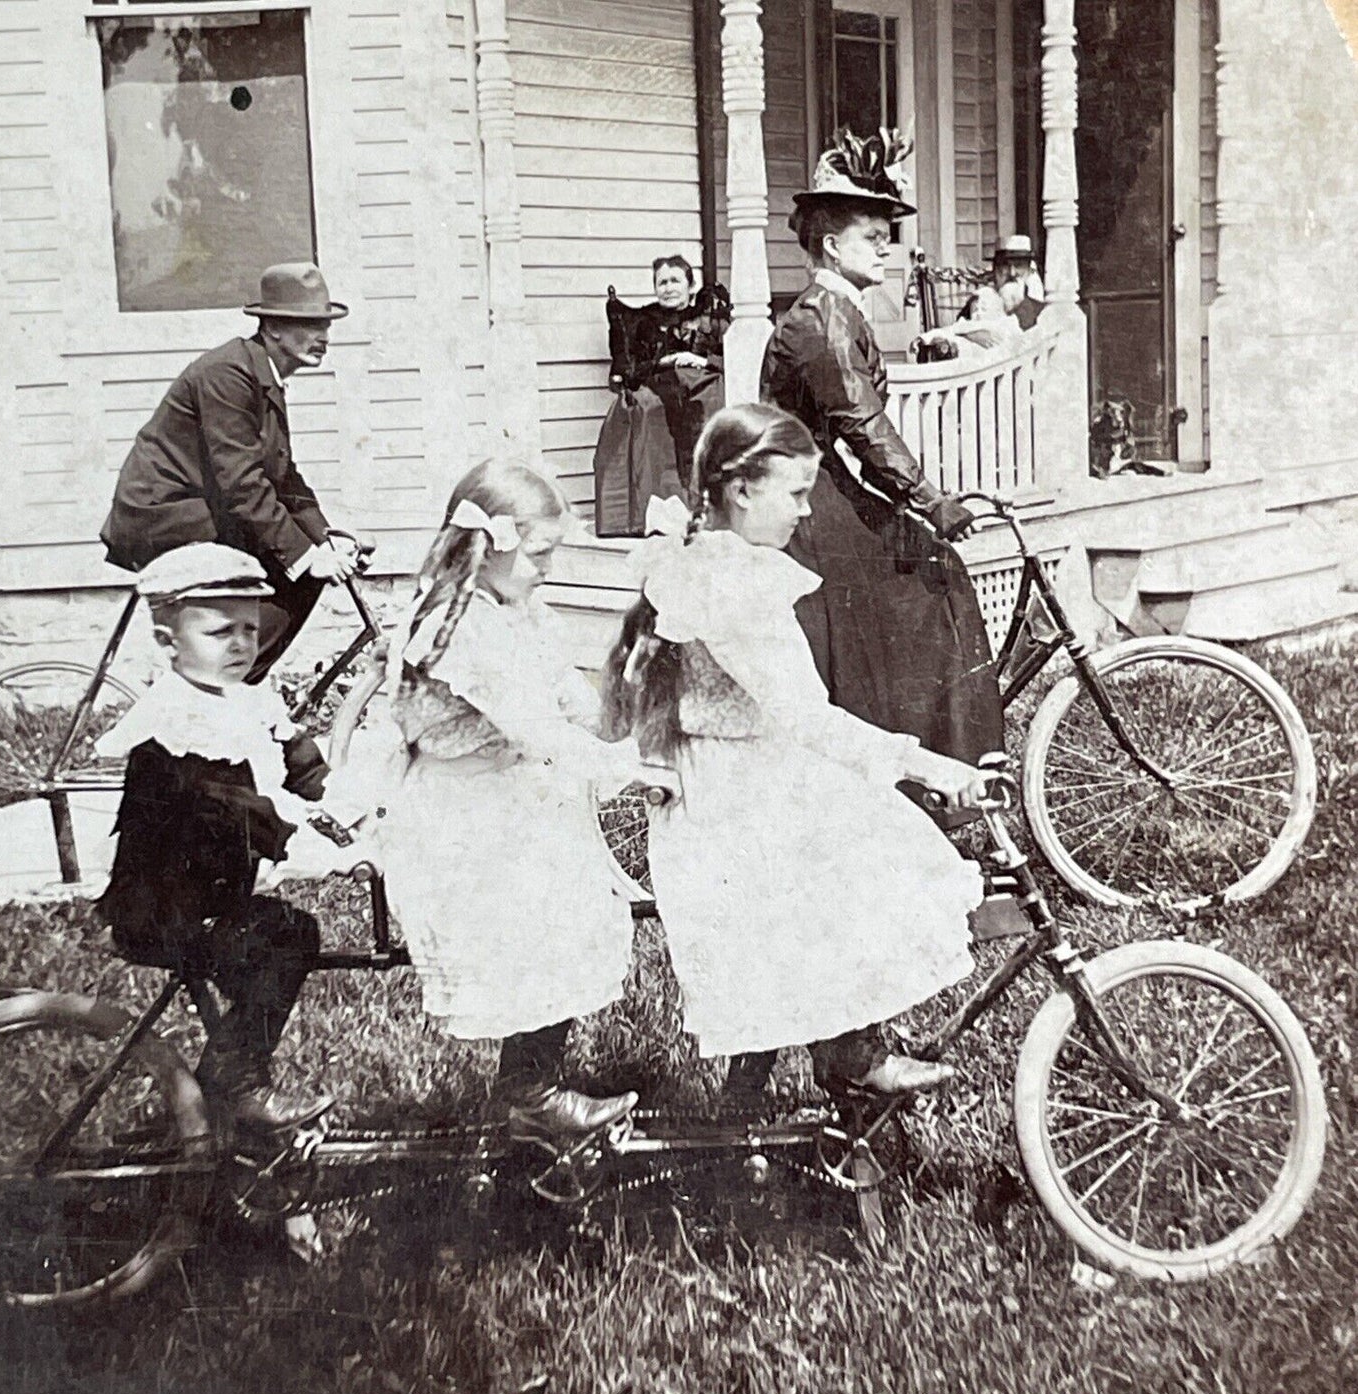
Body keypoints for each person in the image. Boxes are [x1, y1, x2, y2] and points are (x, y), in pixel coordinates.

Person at [604, 404, 987, 1106]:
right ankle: (843, 1060)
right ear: (741, 489)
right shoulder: (731, 584)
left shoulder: (715, 563)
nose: (805, 514)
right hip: (730, 801)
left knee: (860, 844)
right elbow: (806, 718)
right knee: (870, 858)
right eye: (795, 493)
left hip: (743, 777)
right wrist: (926, 763)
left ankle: (830, 1060)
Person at [373, 460, 670, 1140]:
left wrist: (627, 685)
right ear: (491, 546)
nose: (547, 569)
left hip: (505, 794)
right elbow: (533, 730)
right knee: (545, 905)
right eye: (539, 555)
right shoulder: (454, 625)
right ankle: (529, 1092)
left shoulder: (515, 611)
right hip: (459, 814)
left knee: (570, 893)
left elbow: (572, 703)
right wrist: (622, 766)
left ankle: (529, 1085)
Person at [760, 129, 1003, 768]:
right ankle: (920, 769)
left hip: (818, 481)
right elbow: (863, 423)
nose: (887, 250)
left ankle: (933, 763)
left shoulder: (835, 311)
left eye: (886, 237)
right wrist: (931, 502)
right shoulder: (823, 319)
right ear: (832, 246)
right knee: (924, 575)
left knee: (924, 570)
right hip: (796, 497)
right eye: (874, 237)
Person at [95, 543, 348, 1132]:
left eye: (250, 630)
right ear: (168, 643)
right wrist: (301, 842)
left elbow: (298, 762)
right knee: (284, 940)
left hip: (208, 898)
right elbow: (229, 810)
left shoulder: (245, 699)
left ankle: (207, 1111)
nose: (240, 645)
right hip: (163, 907)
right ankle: (237, 1087)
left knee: (277, 937)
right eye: (219, 632)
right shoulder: (172, 723)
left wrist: (339, 805)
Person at [100, 262, 363, 684]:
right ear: (273, 328)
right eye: (310, 324)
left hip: (201, 511)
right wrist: (306, 556)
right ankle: (222, 694)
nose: (323, 337)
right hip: (163, 516)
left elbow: (282, 476)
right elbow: (243, 484)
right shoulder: (229, 374)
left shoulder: (263, 375)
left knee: (299, 575)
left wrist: (325, 537)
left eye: (326, 325)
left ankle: (233, 688)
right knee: (284, 570)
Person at [593, 255, 730, 536]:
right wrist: (665, 362)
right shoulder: (644, 323)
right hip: (658, 384)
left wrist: (701, 360)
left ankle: (705, 504)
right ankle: (659, 509)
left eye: (675, 281)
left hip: (702, 383)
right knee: (648, 407)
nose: (668, 288)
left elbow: (735, 357)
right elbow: (630, 368)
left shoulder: (707, 320)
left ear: (690, 286)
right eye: (661, 282)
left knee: (712, 401)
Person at [916, 233, 1047, 358]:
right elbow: (958, 328)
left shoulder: (1037, 309)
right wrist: (976, 335)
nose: (1012, 273)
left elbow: (1011, 338)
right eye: (1005, 266)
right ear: (995, 270)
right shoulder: (980, 300)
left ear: (1029, 271)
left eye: (1019, 266)